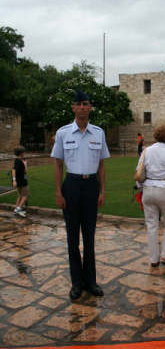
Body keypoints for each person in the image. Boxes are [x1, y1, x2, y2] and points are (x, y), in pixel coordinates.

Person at [51, 90, 110, 301]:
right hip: (72, 186)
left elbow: (102, 164)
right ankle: (76, 283)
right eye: (79, 104)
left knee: (90, 236)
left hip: (91, 186)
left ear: (90, 107)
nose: (83, 107)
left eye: (86, 103)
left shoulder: (98, 133)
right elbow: (58, 164)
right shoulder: (63, 133)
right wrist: (59, 191)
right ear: (73, 107)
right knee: (72, 237)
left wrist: (102, 190)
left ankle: (90, 281)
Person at [136, 125, 165, 267]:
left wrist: (141, 188)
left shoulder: (146, 151)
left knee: (151, 225)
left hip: (148, 189)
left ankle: (153, 258)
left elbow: (139, 171)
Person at [12, 146, 29, 218]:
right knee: (26, 195)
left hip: (19, 180)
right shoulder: (19, 161)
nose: (24, 153)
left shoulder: (16, 160)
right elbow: (14, 170)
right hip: (21, 181)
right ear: (21, 153)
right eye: (24, 152)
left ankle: (17, 208)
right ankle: (18, 210)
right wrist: (14, 180)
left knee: (20, 195)